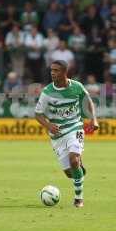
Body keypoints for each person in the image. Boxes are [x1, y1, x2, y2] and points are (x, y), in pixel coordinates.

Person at [35, 60, 99, 208]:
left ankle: (79, 199)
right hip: (57, 135)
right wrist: (48, 125)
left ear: (64, 72)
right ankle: (78, 166)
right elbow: (37, 114)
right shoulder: (47, 92)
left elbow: (88, 102)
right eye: (51, 70)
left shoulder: (77, 87)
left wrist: (93, 119)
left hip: (75, 127)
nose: (52, 73)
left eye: (56, 70)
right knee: (71, 173)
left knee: (74, 160)